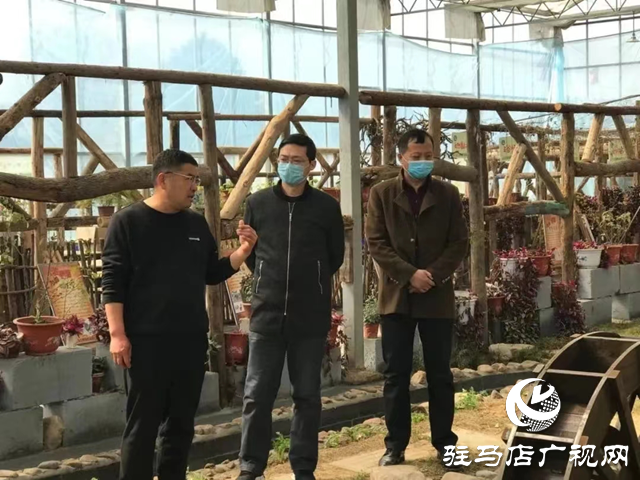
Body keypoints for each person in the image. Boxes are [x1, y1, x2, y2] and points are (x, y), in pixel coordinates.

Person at [102, 149, 258, 480]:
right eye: (189, 179)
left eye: (197, 180)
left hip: (190, 340)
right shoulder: (128, 222)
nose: (194, 187)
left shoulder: (195, 223)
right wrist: (117, 334)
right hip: (146, 342)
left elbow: (212, 272)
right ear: (163, 179)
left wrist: (243, 252)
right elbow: (112, 283)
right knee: (142, 425)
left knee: (181, 424)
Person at [237, 134, 345, 480]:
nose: (289, 165)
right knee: (257, 395)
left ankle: (303, 467)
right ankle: (251, 466)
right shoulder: (257, 203)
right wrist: (269, 280)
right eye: (283, 159)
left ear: (311, 165)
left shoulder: (326, 207)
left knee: (307, 396)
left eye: (297, 160)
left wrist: (311, 281)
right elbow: (252, 256)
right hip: (266, 315)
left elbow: (334, 256)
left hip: (309, 318)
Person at [365, 128, 468, 469]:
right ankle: (395, 446)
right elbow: (376, 243)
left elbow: (458, 242)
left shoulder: (448, 194)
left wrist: (431, 275)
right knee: (396, 375)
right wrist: (410, 274)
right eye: (416, 156)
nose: (423, 162)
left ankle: (445, 444)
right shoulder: (381, 194)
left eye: (428, 156)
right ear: (401, 158)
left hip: (436, 297)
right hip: (397, 297)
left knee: (440, 374)